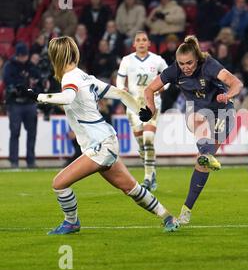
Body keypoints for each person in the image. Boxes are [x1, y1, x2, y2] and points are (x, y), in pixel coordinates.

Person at [20, 36, 179, 234]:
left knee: (59, 183)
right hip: (105, 141)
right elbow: (120, 93)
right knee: (131, 188)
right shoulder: (84, 76)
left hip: (99, 145)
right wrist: (142, 110)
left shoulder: (70, 78)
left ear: (56, 56)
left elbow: (68, 97)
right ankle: (168, 217)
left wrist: (37, 96)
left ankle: (71, 222)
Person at [140, 35, 243, 225]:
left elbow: (237, 83)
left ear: (197, 59)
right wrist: (150, 109)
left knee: (203, 161)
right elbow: (149, 90)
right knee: (199, 135)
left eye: (189, 63)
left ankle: (187, 208)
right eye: (181, 64)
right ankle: (206, 157)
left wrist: (227, 95)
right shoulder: (174, 71)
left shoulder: (209, 65)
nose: (185, 67)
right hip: (198, 112)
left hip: (223, 111)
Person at [116, 31, 168, 191]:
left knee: (148, 139)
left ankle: (146, 178)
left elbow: (169, 77)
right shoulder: (127, 60)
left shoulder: (157, 60)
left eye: (144, 40)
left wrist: (162, 87)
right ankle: (151, 173)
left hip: (152, 104)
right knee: (141, 145)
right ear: (134, 44)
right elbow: (119, 79)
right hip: (133, 106)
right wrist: (121, 88)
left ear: (149, 43)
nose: (141, 42)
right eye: (138, 40)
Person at [4, 42, 42, 168]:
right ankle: (14, 161)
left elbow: (39, 80)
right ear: (17, 55)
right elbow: (8, 82)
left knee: (32, 133)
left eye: (25, 55)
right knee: (15, 132)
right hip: (15, 103)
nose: (23, 58)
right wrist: (23, 84)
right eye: (21, 55)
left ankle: (31, 161)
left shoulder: (31, 66)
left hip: (30, 103)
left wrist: (34, 84)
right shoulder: (9, 66)